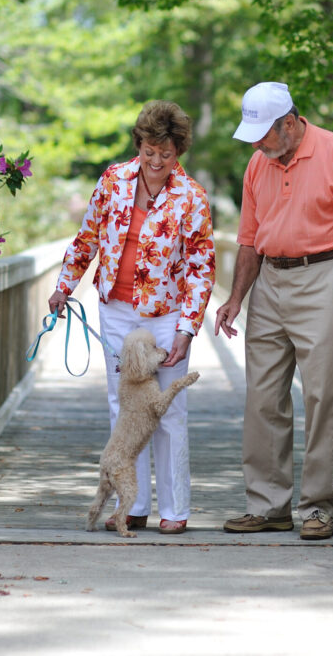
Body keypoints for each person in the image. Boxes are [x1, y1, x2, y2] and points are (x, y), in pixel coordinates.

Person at [213, 81, 333, 541]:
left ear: (290, 123)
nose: (258, 144)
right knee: (262, 397)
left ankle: (318, 506)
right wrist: (235, 299)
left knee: (326, 396)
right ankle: (268, 506)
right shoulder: (257, 163)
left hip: (325, 278)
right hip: (269, 283)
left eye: (263, 134)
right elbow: (248, 239)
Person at [49, 100, 215, 535]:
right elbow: (85, 238)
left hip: (165, 318)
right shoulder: (113, 181)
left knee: (170, 412)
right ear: (138, 145)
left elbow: (202, 267)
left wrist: (186, 328)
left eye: (167, 154)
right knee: (124, 410)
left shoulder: (192, 197)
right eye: (149, 151)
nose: (157, 162)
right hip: (116, 313)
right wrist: (64, 285)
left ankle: (175, 510)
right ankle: (134, 503)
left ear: (179, 151)